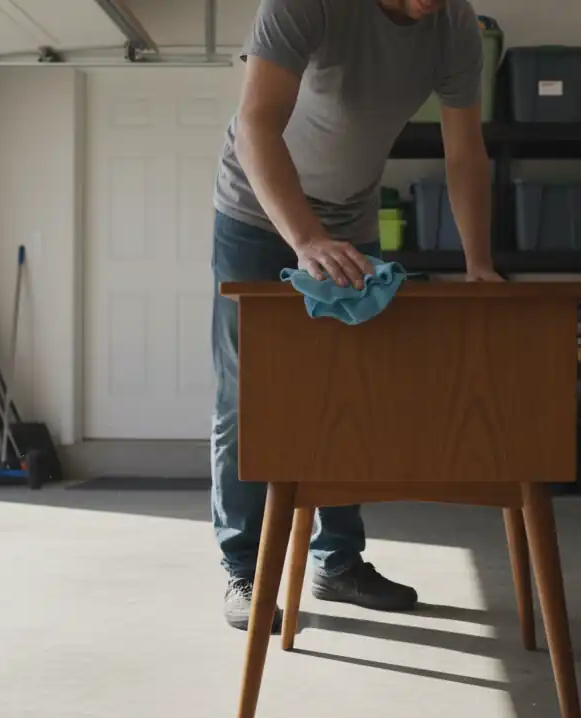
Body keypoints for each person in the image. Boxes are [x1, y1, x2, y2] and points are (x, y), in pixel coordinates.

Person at [211, 0, 500, 630]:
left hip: (349, 218)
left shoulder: (454, 25)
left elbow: (465, 152)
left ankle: (337, 562)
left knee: (350, 390)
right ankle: (244, 570)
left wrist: (478, 263)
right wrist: (305, 238)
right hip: (257, 212)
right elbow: (257, 123)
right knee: (247, 393)